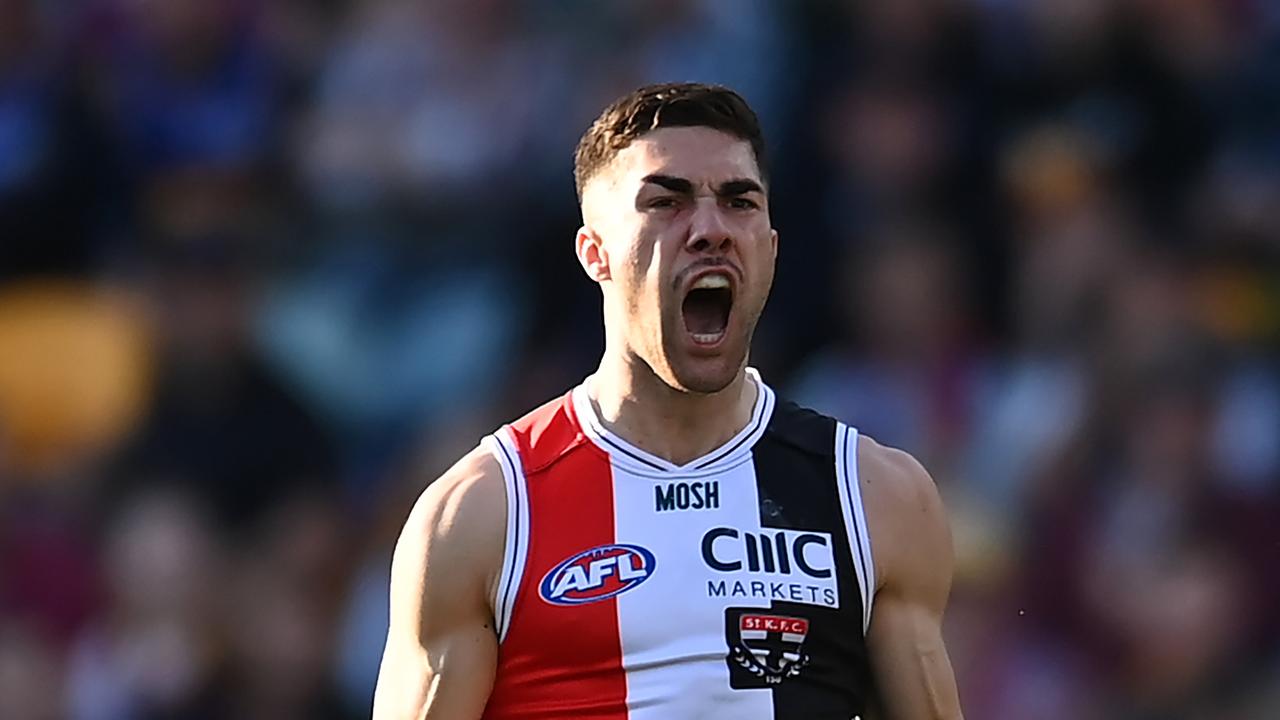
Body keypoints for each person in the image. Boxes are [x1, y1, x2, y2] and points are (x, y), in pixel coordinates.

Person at [372, 83, 964, 720]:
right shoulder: (484, 513)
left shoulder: (872, 495)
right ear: (595, 254)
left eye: (739, 201)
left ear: (770, 248)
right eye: (667, 201)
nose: (709, 229)